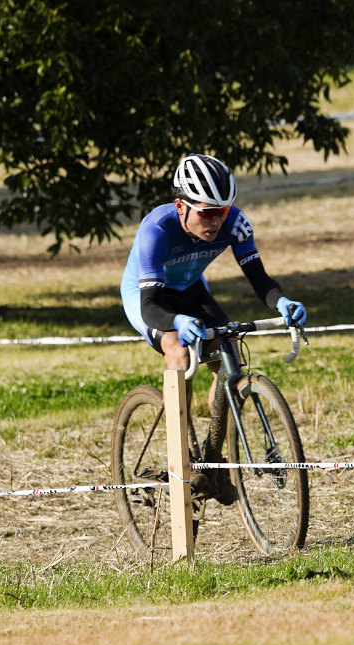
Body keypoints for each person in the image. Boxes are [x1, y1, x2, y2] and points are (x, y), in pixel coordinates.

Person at [122, 153, 307, 503]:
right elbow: (149, 305)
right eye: (207, 212)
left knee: (230, 355)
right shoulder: (156, 229)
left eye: (222, 212)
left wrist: (281, 302)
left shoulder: (235, 223)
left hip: (191, 289)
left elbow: (259, 279)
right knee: (177, 351)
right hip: (149, 296)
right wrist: (175, 322)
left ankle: (211, 456)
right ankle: (183, 456)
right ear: (181, 206)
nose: (216, 221)